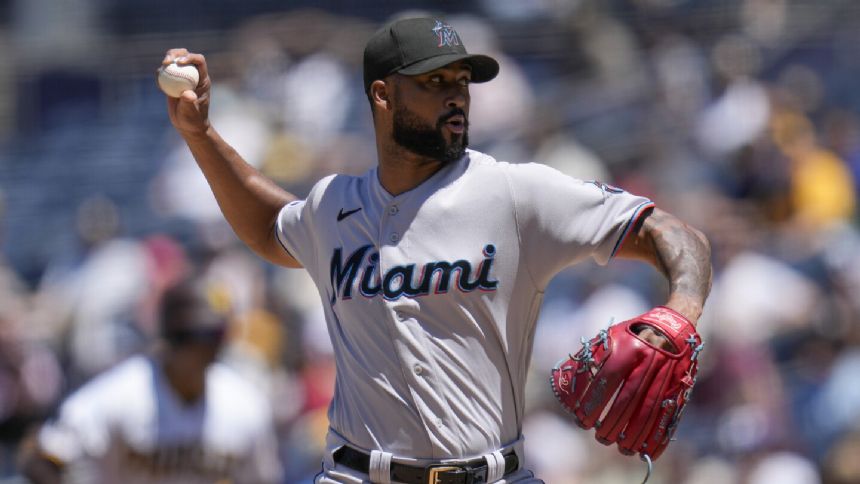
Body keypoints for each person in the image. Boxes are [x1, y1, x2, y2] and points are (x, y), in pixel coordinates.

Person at [159, 16, 712, 484]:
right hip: (355, 472)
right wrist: (200, 135)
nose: (456, 95)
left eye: (462, 81)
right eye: (434, 81)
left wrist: (679, 311)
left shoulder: (515, 194)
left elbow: (672, 233)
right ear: (383, 94)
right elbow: (270, 227)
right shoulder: (334, 206)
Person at [18, 277, 282, 484]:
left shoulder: (244, 405)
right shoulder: (120, 395)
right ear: (170, 339)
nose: (205, 349)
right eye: (196, 339)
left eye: (213, 338)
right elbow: (39, 459)